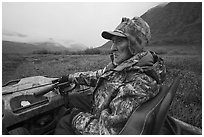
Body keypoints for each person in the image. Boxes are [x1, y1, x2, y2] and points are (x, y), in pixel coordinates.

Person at [54, 16, 166, 135]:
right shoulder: (124, 66)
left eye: (119, 41)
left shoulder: (138, 84)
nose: (112, 48)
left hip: (101, 120)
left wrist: (75, 117)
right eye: (113, 41)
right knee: (71, 98)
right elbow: (99, 75)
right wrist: (70, 77)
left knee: (64, 121)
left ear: (134, 44)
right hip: (99, 105)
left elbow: (107, 132)